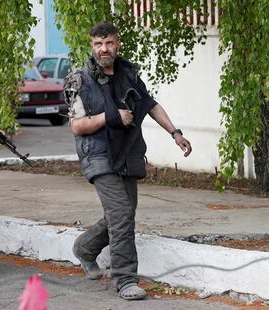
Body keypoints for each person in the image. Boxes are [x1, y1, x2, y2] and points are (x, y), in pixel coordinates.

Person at [65, 21, 192, 300]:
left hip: (127, 152)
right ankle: (125, 279)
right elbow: (78, 126)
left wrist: (175, 132)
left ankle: (85, 248)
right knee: (121, 213)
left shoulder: (129, 75)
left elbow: (150, 104)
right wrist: (112, 117)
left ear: (117, 43)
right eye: (98, 44)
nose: (104, 49)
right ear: (92, 46)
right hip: (97, 154)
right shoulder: (79, 80)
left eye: (109, 43)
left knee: (124, 213)